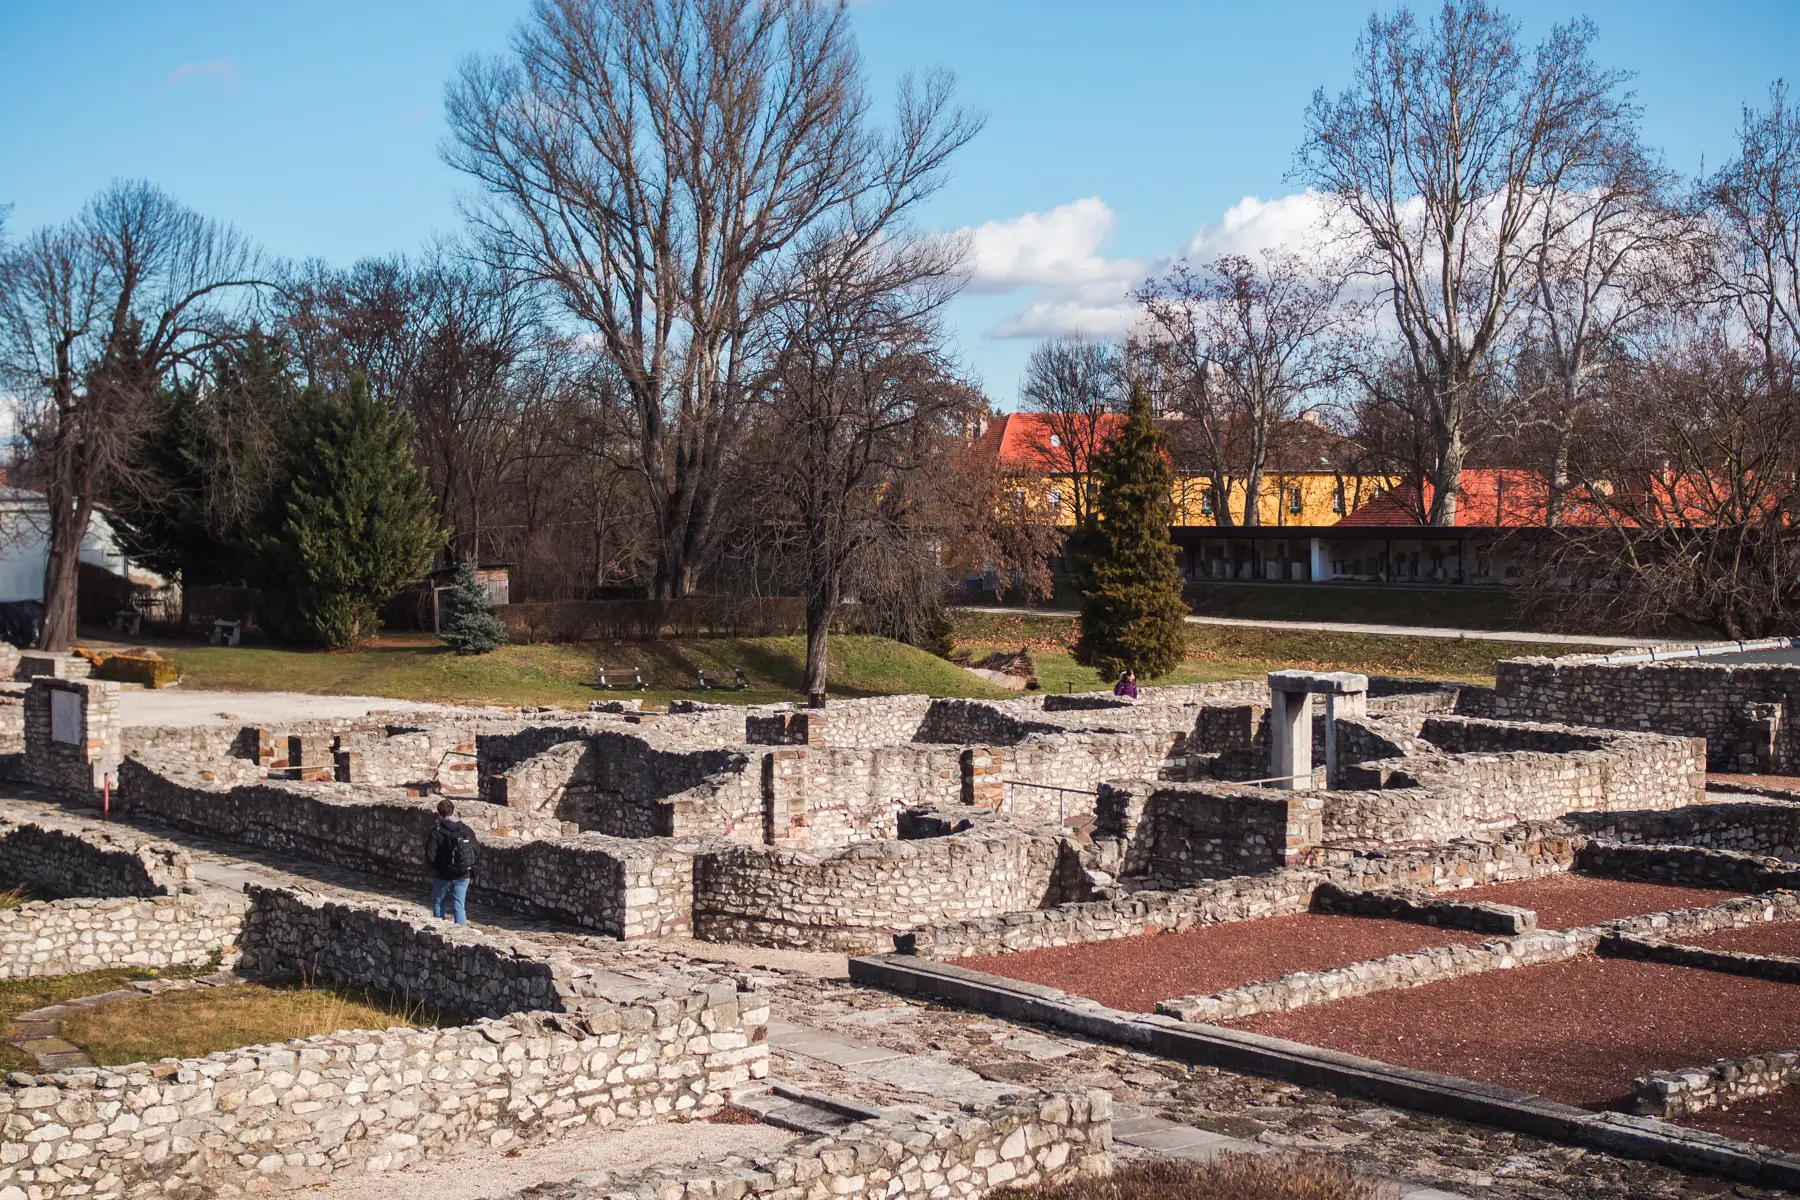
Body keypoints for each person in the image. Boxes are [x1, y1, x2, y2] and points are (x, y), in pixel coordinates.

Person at [424, 798, 477, 925]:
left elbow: (430, 855)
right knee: (459, 904)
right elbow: (477, 850)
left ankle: (439, 928)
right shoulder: (466, 829)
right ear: (453, 811)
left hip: (443, 874)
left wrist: (438, 868)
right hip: (464, 873)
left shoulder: (436, 832)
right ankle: (461, 933)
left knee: (438, 901)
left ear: (439, 814)